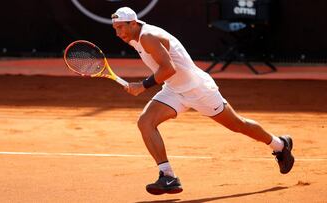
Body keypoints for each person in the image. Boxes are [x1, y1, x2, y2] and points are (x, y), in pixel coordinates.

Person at [111, 7, 294, 195]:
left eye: (120, 28)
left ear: (133, 23)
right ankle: (168, 176)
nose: (118, 33)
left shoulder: (148, 36)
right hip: (174, 89)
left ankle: (280, 145)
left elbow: (169, 69)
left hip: (198, 90)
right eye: (115, 29)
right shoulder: (135, 36)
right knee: (145, 122)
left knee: (237, 124)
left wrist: (143, 85)